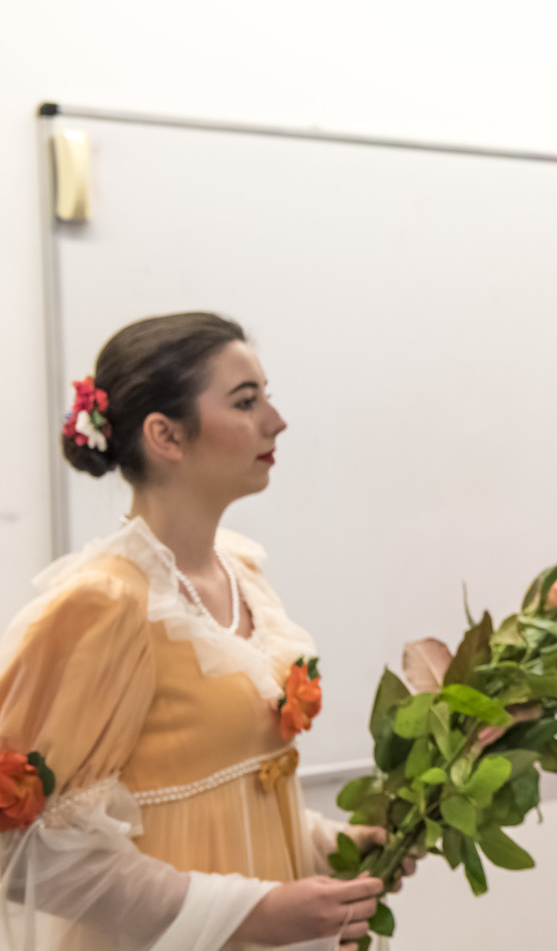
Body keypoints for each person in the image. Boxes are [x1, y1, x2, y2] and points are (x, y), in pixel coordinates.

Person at [0, 312, 399, 950]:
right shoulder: (106, 604)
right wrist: (250, 912)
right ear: (166, 435)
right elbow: (25, 852)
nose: (276, 421)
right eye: (246, 401)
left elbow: (221, 794)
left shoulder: (241, 572)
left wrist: (330, 845)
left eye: (266, 397)